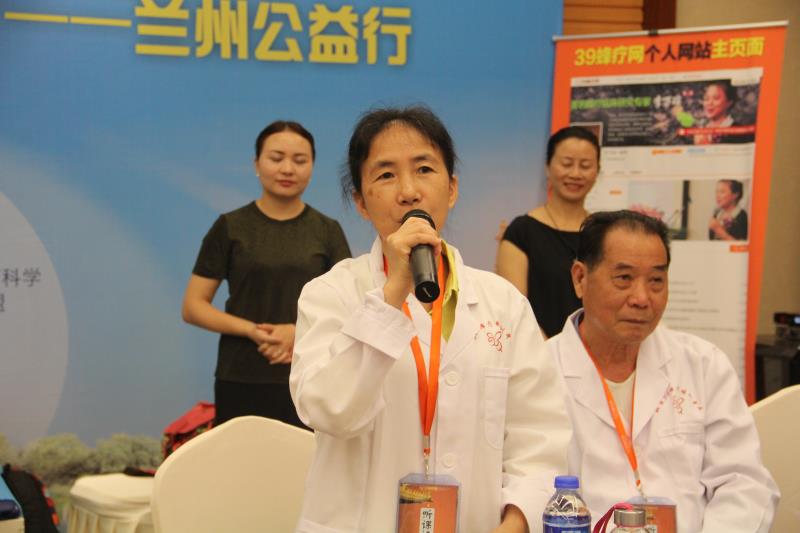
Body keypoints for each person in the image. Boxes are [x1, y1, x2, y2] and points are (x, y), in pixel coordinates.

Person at [290, 106, 571, 532]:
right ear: (361, 202)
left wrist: (516, 522)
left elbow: (540, 438)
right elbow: (330, 410)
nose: (408, 191)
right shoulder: (330, 295)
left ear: (452, 188)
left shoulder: (504, 304)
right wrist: (391, 295)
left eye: (424, 169)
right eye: (386, 175)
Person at [547, 210, 778, 532]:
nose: (642, 298)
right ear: (580, 278)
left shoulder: (703, 365)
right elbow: (527, 486)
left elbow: (744, 483)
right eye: (624, 278)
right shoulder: (541, 371)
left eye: (656, 280)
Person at [182, 120, 351, 428]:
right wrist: (252, 330)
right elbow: (193, 306)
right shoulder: (230, 227)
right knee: (240, 457)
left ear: (312, 167)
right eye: (276, 158)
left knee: (303, 458)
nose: (287, 169)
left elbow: (349, 306)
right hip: (240, 375)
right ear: (256, 164)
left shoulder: (327, 231)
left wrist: (296, 331)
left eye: (299, 160)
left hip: (310, 373)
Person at [496, 126, 600, 338]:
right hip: (538, 350)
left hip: (593, 353)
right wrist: (551, 352)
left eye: (585, 165)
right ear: (547, 167)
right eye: (567, 163)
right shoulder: (521, 232)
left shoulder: (602, 234)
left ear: (597, 171)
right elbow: (515, 310)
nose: (575, 174)